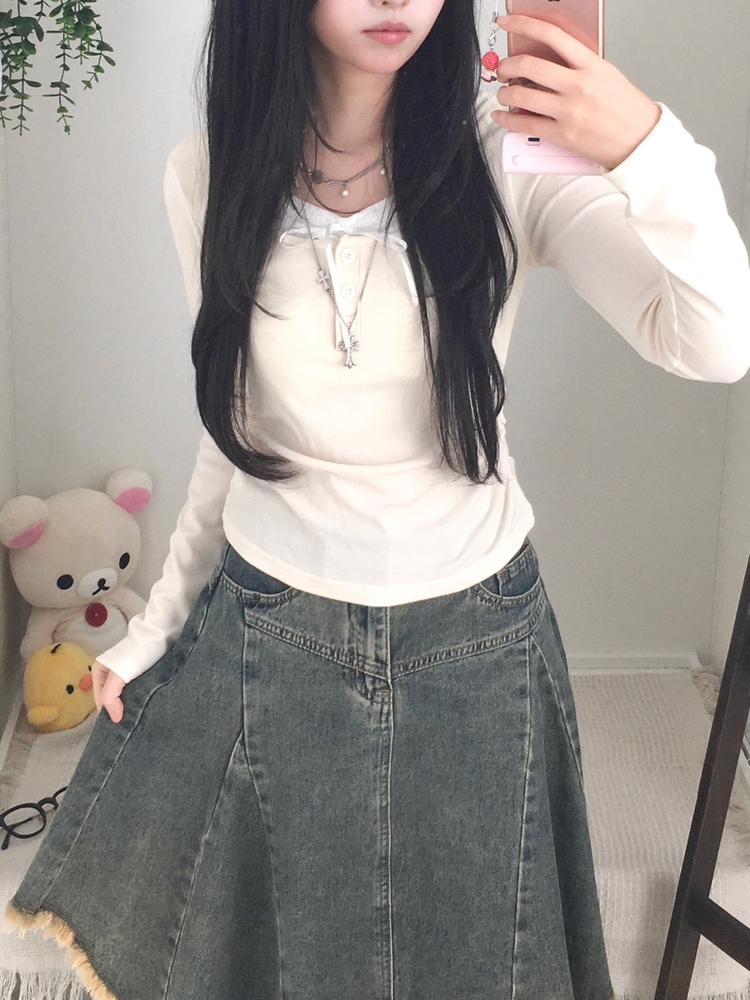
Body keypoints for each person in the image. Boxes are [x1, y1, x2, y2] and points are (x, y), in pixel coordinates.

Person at [5, 1, 750, 998]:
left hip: (477, 642)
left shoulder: (510, 157)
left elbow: (715, 343)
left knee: (480, 963)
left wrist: (646, 146)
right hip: (275, 635)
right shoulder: (206, 173)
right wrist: (155, 630)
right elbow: (232, 433)